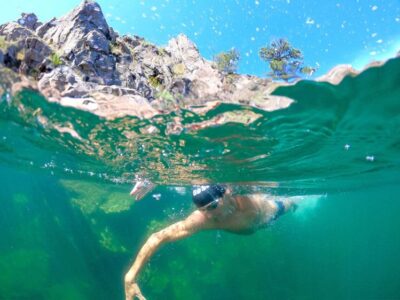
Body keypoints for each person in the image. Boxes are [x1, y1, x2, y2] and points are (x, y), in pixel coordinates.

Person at [124, 184, 297, 300]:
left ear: (227, 194)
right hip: (249, 226)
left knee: (289, 205)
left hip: (270, 214)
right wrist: (130, 277)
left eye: (213, 206)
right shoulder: (203, 220)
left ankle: (294, 203)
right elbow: (158, 237)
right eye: (203, 210)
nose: (210, 215)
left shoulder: (244, 200)